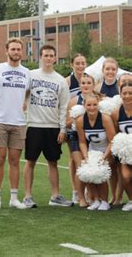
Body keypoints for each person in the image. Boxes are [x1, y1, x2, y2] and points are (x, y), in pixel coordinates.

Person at [22, 45, 73, 208]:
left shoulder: (60, 81)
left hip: (52, 127)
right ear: (40, 57)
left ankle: (55, 196)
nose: (48, 58)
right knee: (30, 161)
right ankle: (28, 196)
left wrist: (62, 129)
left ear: (55, 58)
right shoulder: (31, 75)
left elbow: (64, 106)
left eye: (51, 55)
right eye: (45, 55)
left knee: (53, 162)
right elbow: (22, 94)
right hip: (34, 125)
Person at [0, 38, 30, 209]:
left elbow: (28, 91)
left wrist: (25, 102)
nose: (15, 52)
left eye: (18, 49)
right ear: (6, 51)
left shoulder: (27, 72)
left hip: (19, 122)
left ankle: (14, 198)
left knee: (15, 160)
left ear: (22, 52)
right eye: (12, 49)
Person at [76, 93, 115, 211]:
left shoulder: (105, 118)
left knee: (99, 172)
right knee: (88, 172)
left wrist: (104, 157)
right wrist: (86, 156)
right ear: (84, 105)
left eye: (94, 105)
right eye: (89, 105)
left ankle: (104, 201)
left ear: (98, 105)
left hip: (107, 151)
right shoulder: (80, 120)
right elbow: (82, 142)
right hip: (92, 151)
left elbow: (112, 141)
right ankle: (96, 199)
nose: (92, 107)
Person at [65, 73, 97, 207]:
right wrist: (77, 118)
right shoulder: (73, 101)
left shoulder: (98, 99)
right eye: (83, 83)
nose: (86, 85)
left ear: (93, 85)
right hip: (75, 136)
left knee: (91, 165)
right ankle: (80, 197)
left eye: (89, 83)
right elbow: (66, 122)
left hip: (92, 137)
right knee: (80, 167)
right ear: (80, 85)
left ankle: (91, 195)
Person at [95, 57, 121, 205]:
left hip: (119, 131)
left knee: (120, 165)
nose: (110, 72)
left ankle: (118, 197)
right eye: (107, 69)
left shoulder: (120, 87)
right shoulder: (98, 88)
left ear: (116, 71)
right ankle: (111, 195)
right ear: (103, 71)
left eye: (113, 69)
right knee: (110, 164)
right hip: (104, 133)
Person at [65, 54, 87, 202]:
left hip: (87, 127)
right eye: (77, 63)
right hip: (71, 124)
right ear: (72, 64)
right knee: (74, 159)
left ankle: (86, 191)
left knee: (85, 158)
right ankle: (75, 190)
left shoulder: (90, 79)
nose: (80, 66)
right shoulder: (67, 81)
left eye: (83, 63)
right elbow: (64, 105)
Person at [111, 81, 132, 211]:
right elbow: (115, 134)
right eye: (125, 93)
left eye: (130, 93)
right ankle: (131, 200)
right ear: (120, 94)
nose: (128, 96)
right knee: (125, 176)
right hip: (126, 152)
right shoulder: (116, 113)